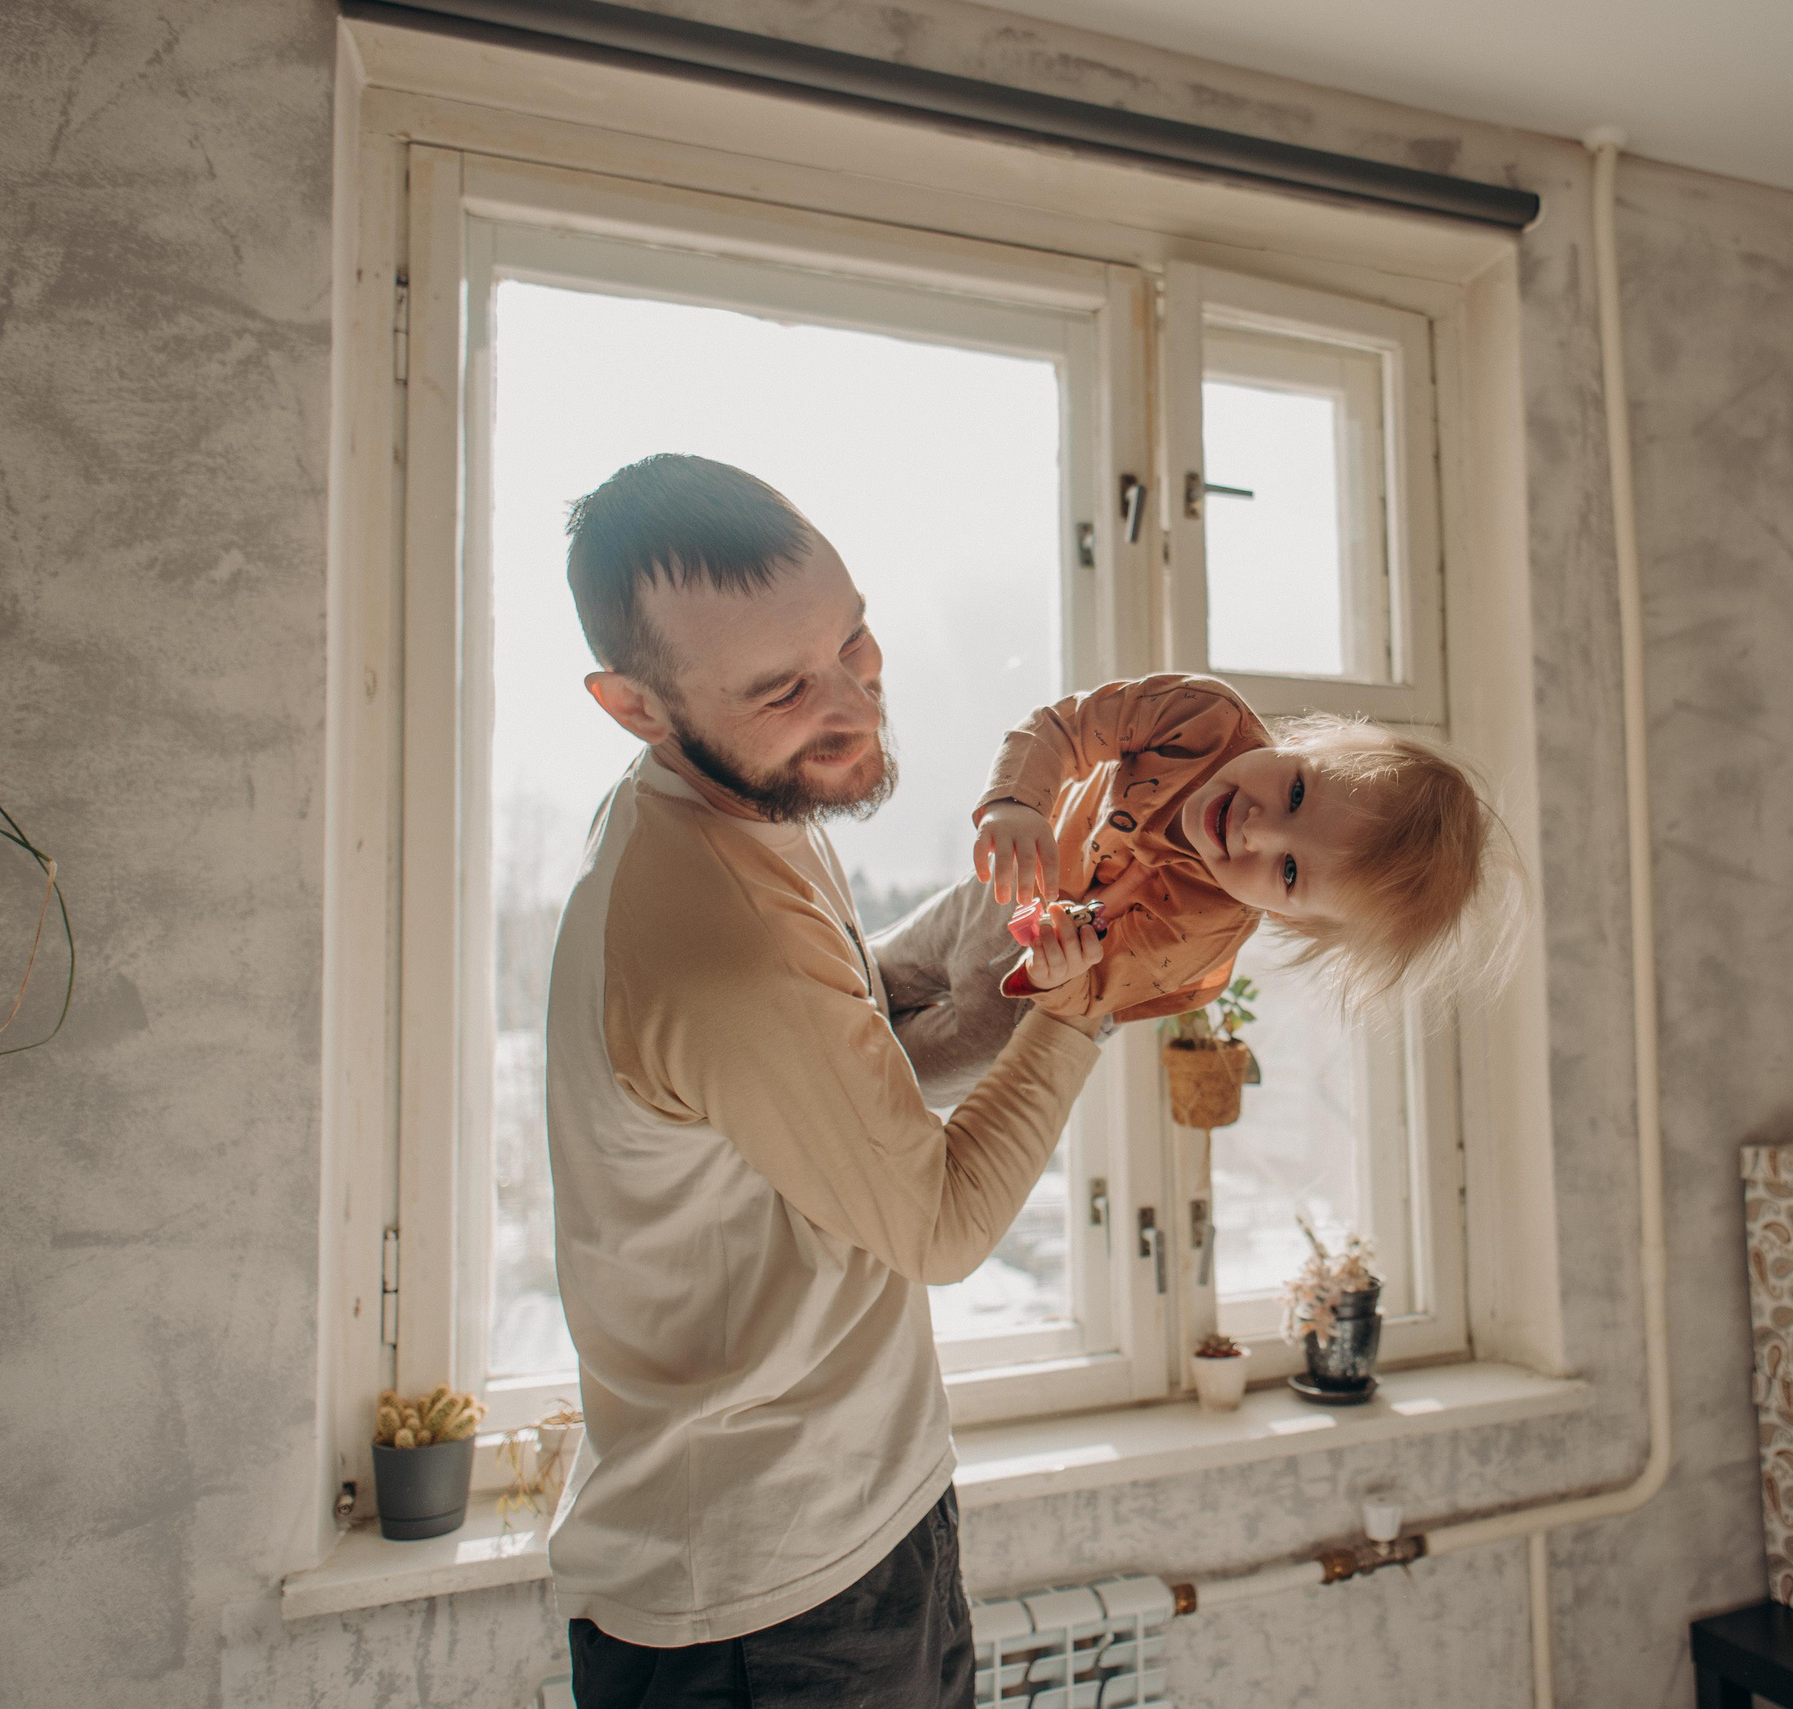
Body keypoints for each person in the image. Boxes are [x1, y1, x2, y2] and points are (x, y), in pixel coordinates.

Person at [541, 453, 1107, 1709]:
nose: (854, 703)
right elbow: (941, 1224)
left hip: (841, 1529)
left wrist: (1003, 936)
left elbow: (838, 1047)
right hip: (767, 1606)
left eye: (853, 640)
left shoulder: (723, 800)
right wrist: (1076, 1012)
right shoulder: (713, 930)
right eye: (787, 686)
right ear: (634, 706)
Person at [972, 674, 1512, 1022]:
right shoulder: (1204, 717)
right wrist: (1017, 805)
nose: (1256, 830)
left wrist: (1054, 975)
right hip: (1029, 859)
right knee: (897, 956)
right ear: (1307, 742)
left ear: (1286, 915)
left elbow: (1093, 993)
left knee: (944, 1053)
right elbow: (1065, 726)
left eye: (1291, 872)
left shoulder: (1208, 926)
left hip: (1062, 974)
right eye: (1297, 792)